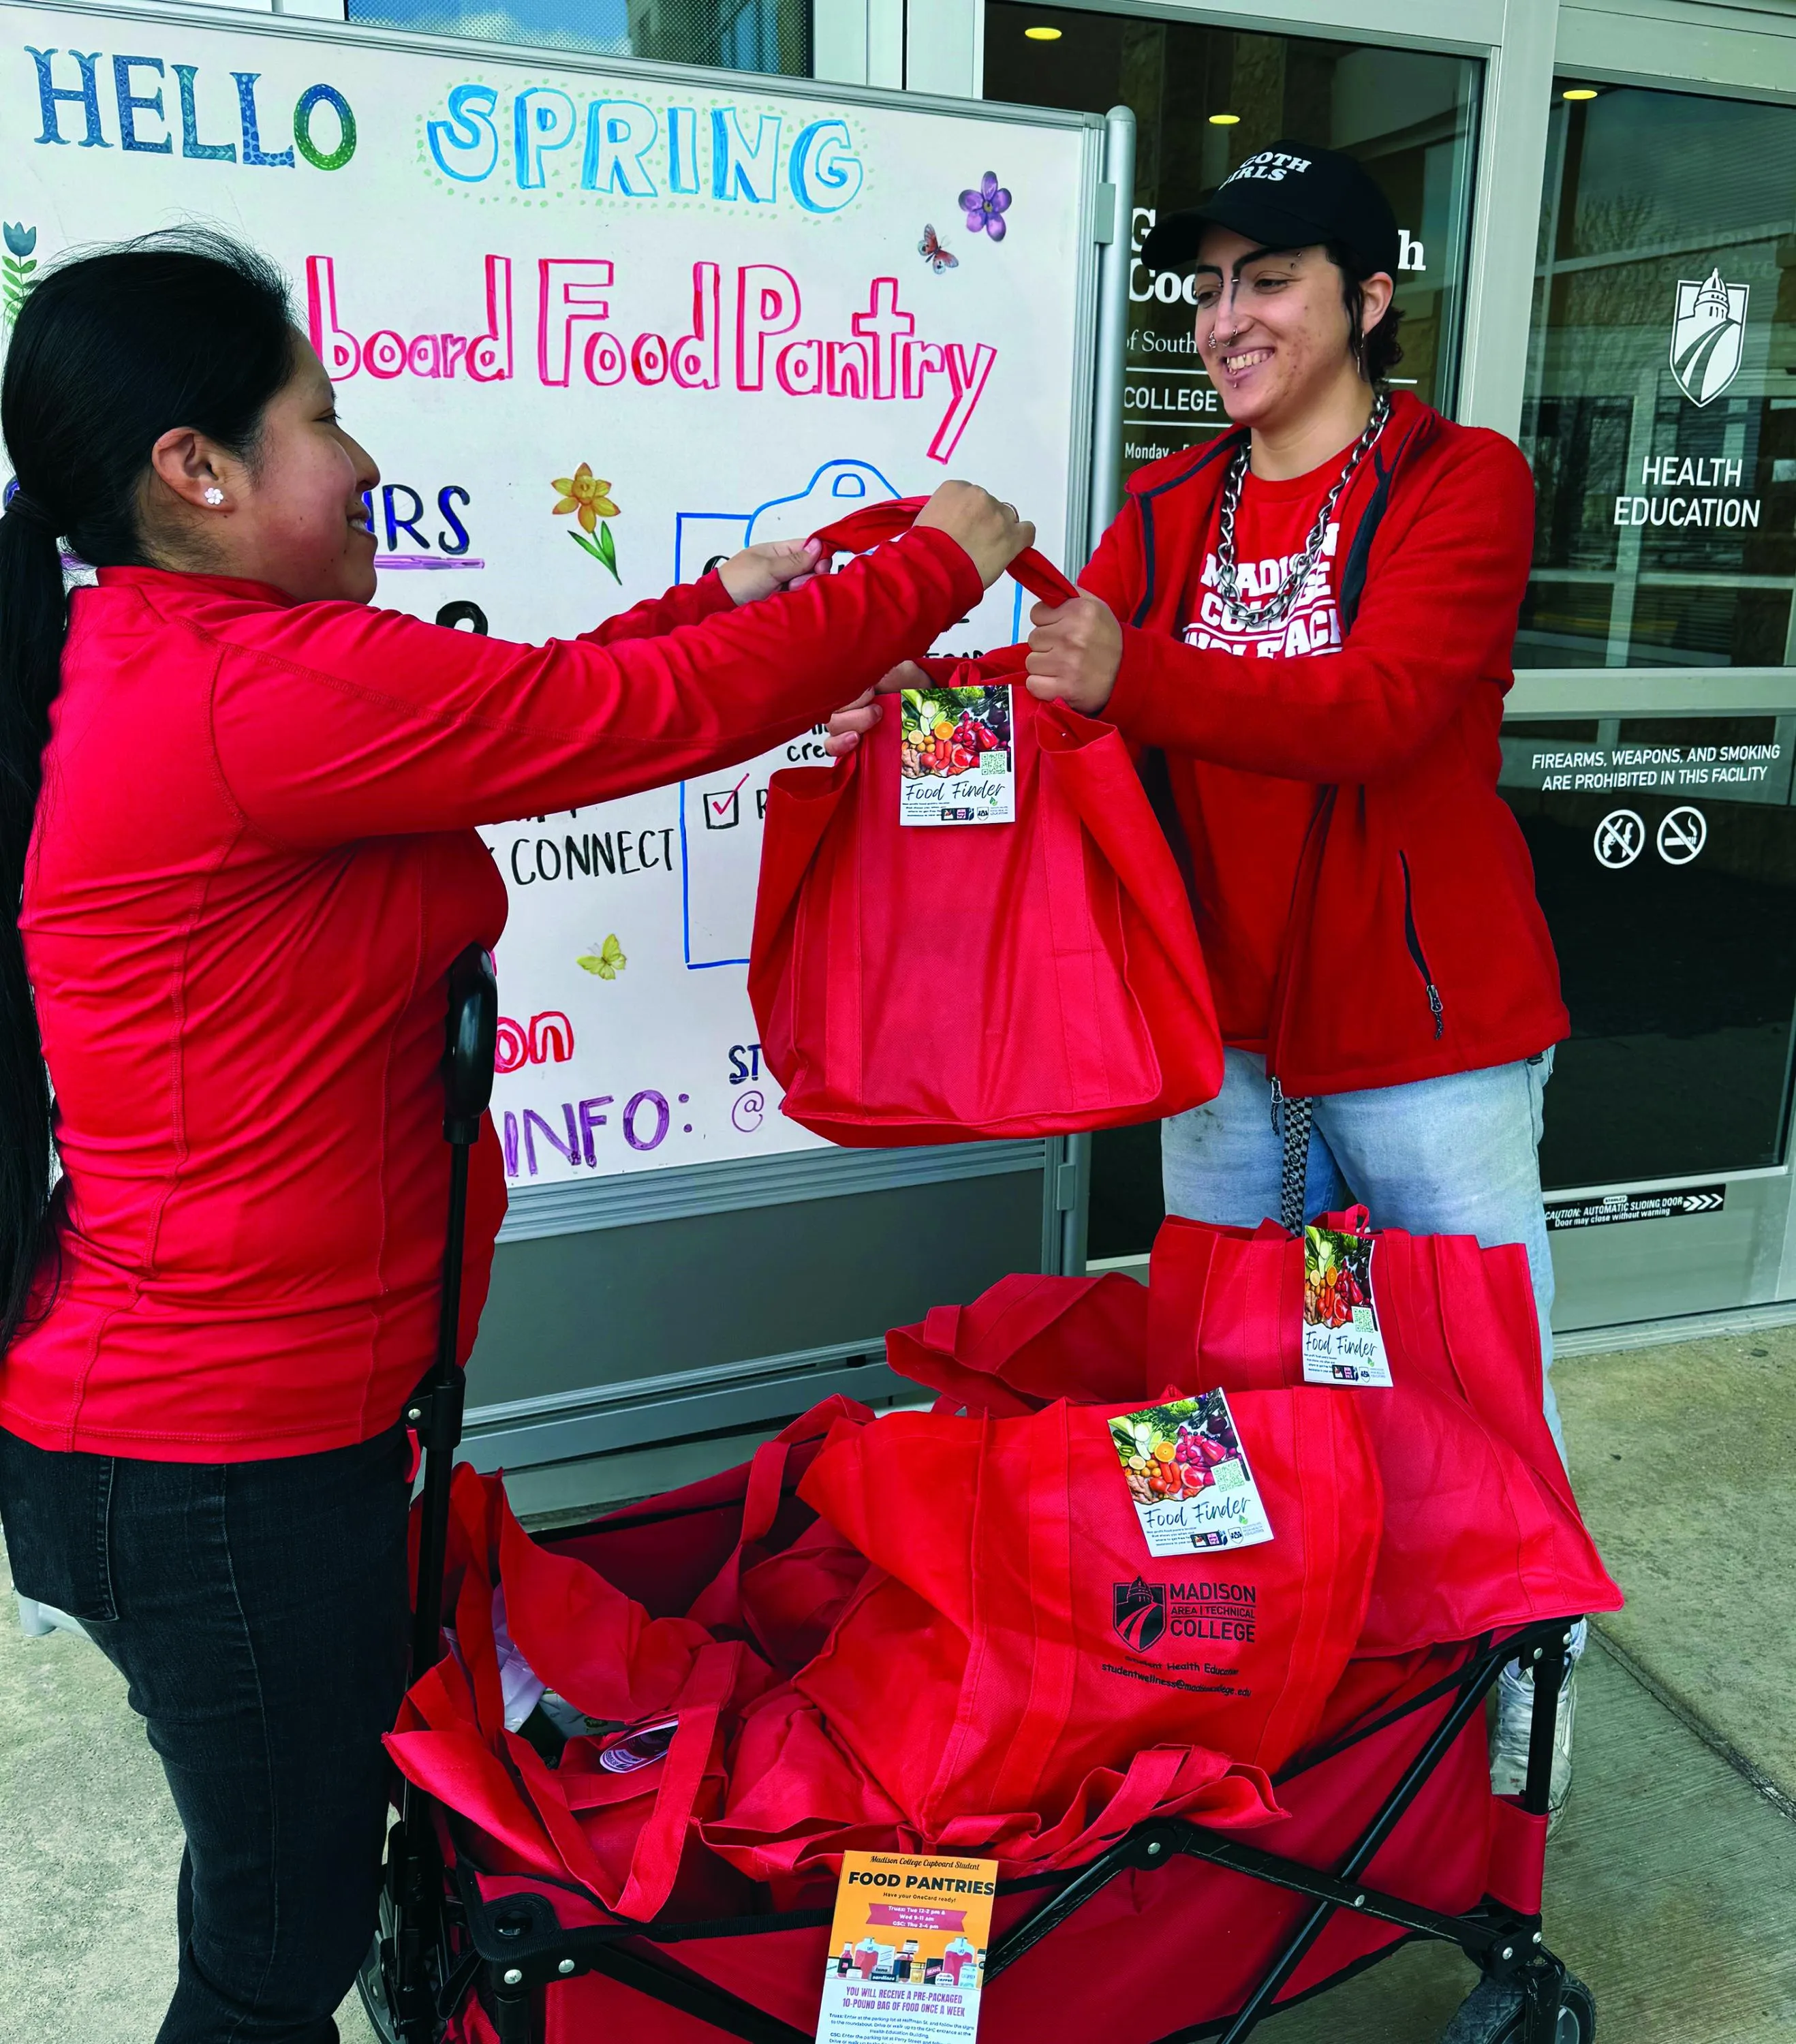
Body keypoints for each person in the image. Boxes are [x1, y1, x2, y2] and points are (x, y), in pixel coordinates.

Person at [0, 230, 1032, 2044]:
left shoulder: (221, 662)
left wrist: (725, 596)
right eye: (323, 417)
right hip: (216, 1463)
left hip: (236, 1444)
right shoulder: (241, 692)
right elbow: (624, 723)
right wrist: (937, 565)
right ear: (198, 469)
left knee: (286, 1874)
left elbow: (534, 705)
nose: (363, 459)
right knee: (273, 1951)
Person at [830, 144, 1579, 1820]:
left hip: (1426, 1041)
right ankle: (1269, 1693)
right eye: (1211, 284)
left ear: (1367, 300)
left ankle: (1510, 1739)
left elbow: (1380, 711)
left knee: (1470, 1399)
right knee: (1217, 1396)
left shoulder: (1460, 481)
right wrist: (910, 709)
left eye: (1270, 280)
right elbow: (1065, 693)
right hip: (1218, 1041)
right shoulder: (1171, 505)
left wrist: (1135, 673)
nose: (1227, 317)